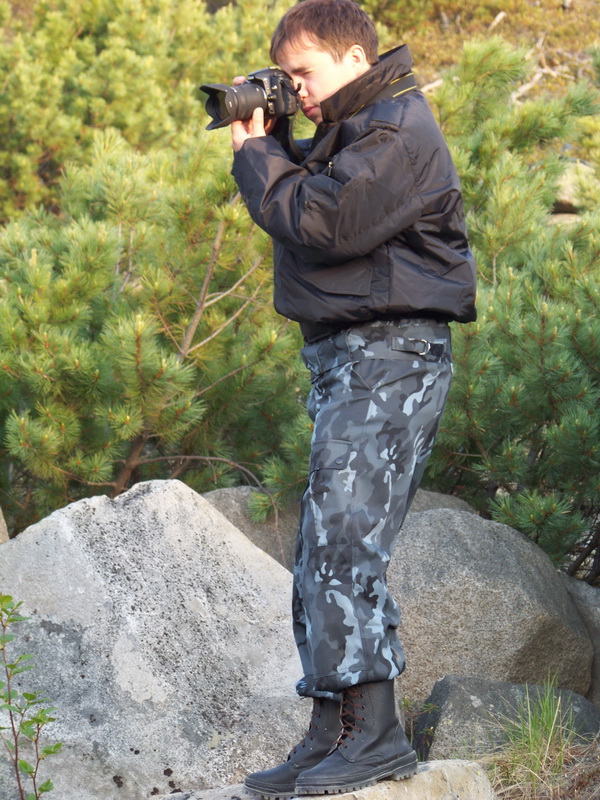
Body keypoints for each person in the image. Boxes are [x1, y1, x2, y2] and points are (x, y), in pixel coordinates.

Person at [228, 0, 477, 796]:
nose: (295, 89)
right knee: (318, 549)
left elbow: (323, 223)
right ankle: (330, 732)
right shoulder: (352, 131)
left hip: (392, 356)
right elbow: (309, 208)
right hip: (349, 359)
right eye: (286, 76)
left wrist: (257, 157)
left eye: (303, 73)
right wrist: (275, 141)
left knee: (344, 544)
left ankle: (375, 737)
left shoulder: (399, 129)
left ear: (355, 58)